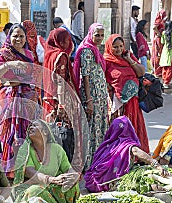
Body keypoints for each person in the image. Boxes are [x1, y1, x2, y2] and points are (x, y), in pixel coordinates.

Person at [0, 23, 40, 179]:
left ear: (25, 38)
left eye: (21, 36)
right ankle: (9, 171)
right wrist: (9, 65)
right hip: (9, 99)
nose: (18, 39)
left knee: (26, 133)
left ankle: (25, 167)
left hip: (27, 98)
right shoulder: (3, 54)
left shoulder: (28, 54)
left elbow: (33, 74)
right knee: (8, 134)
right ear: (9, 37)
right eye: (15, 36)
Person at [84, 116, 168, 193]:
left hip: (93, 182)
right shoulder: (126, 144)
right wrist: (157, 165)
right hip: (110, 183)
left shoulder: (106, 145)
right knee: (148, 182)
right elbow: (136, 151)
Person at [43, 27, 88, 166]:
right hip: (63, 100)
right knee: (67, 132)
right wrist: (62, 104)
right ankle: (69, 164)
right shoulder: (61, 56)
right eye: (67, 40)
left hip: (50, 99)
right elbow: (61, 82)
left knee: (54, 132)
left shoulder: (49, 54)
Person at [13, 119, 80, 203]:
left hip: (53, 187)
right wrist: (50, 179)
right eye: (30, 126)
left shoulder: (57, 149)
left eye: (35, 126)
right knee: (36, 190)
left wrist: (73, 176)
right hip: (31, 187)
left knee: (72, 185)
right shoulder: (26, 150)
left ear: (45, 132)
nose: (31, 128)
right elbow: (29, 172)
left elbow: (68, 168)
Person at [104, 34, 150, 154]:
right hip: (117, 103)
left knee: (133, 126)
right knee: (120, 130)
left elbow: (141, 72)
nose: (118, 49)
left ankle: (136, 156)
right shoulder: (106, 60)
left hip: (132, 101)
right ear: (109, 47)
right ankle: (120, 156)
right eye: (115, 47)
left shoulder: (128, 56)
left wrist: (129, 59)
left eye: (120, 46)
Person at [73, 23, 109, 168]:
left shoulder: (95, 50)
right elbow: (85, 76)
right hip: (92, 96)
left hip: (99, 96)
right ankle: (89, 164)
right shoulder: (87, 51)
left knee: (99, 128)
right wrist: (88, 100)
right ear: (90, 34)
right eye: (97, 35)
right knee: (92, 129)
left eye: (101, 35)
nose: (99, 38)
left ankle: (97, 161)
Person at [160, 20, 172, 88]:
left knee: (164, 67)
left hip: (164, 51)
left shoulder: (163, 33)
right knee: (170, 67)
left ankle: (164, 80)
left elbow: (162, 42)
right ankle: (166, 82)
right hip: (171, 51)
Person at [151, 10, 168, 77]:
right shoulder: (159, 21)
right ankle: (157, 71)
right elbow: (154, 28)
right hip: (158, 39)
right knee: (157, 54)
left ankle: (159, 71)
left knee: (160, 54)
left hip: (161, 39)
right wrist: (159, 34)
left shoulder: (162, 21)